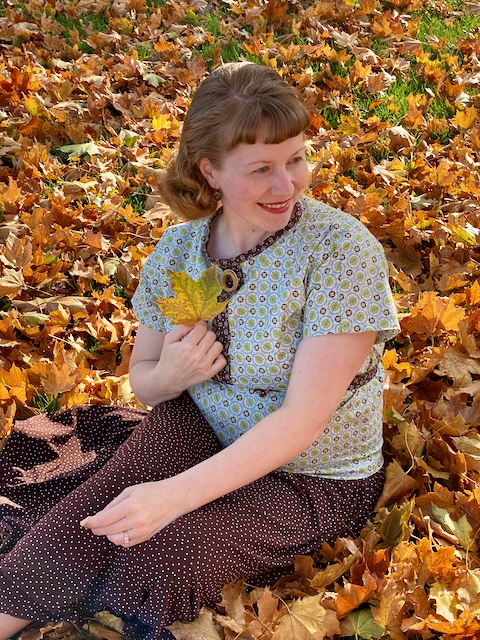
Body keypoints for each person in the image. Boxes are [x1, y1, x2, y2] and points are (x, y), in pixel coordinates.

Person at [0, 62, 400, 640]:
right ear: (209, 170)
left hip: (311, 475)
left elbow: (303, 419)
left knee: (162, 556)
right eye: (261, 169)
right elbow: (144, 381)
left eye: (295, 159)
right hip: (199, 427)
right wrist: (172, 374)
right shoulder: (180, 250)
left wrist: (174, 496)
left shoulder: (340, 252)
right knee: (95, 511)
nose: (287, 186)